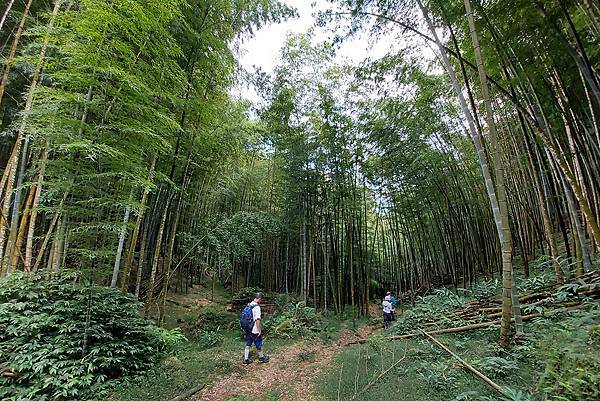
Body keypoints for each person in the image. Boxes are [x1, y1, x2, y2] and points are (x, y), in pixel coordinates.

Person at [243, 293, 269, 364]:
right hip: (254, 329)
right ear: (259, 298)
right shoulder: (257, 307)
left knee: (248, 343)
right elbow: (257, 320)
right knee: (258, 343)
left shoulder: (249, 304)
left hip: (248, 328)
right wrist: (259, 330)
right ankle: (261, 357)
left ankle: (246, 359)